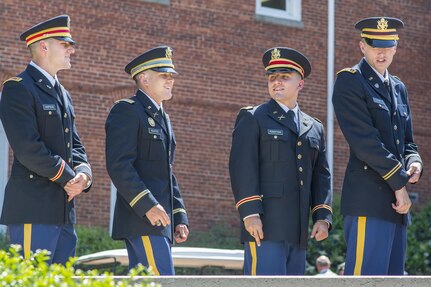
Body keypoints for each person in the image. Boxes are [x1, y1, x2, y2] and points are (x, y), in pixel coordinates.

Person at [229, 47, 333, 275]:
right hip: (264, 226)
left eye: (284, 77)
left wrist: (322, 216)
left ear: (300, 84)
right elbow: (242, 168)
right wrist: (250, 213)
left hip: (298, 231)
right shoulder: (253, 117)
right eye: (272, 77)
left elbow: (321, 176)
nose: (276, 82)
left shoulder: (314, 127)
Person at [332, 17, 423, 275]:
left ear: (396, 46)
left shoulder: (398, 88)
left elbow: (407, 142)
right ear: (363, 47)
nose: (381, 52)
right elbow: (365, 143)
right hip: (368, 201)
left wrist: (414, 162)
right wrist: (399, 185)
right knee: (366, 279)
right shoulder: (350, 81)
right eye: (375, 46)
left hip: (396, 207)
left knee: (394, 280)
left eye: (387, 45)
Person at [0, 15, 92, 264]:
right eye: (64, 44)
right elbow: (28, 148)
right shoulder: (18, 87)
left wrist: (84, 175)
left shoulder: (63, 93)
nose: (71, 49)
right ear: (43, 46)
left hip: (63, 211)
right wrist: (68, 177)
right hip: (33, 208)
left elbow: (76, 145)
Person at [105, 46, 189, 275]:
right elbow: (119, 165)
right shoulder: (128, 110)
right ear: (144, 78)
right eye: (164, 75)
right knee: (162, 280)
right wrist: (148, 205)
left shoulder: (164, 117)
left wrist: (179, 215)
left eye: (171, 76)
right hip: (142, 218)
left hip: (160, 221)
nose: (170, 80)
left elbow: (166, 173)